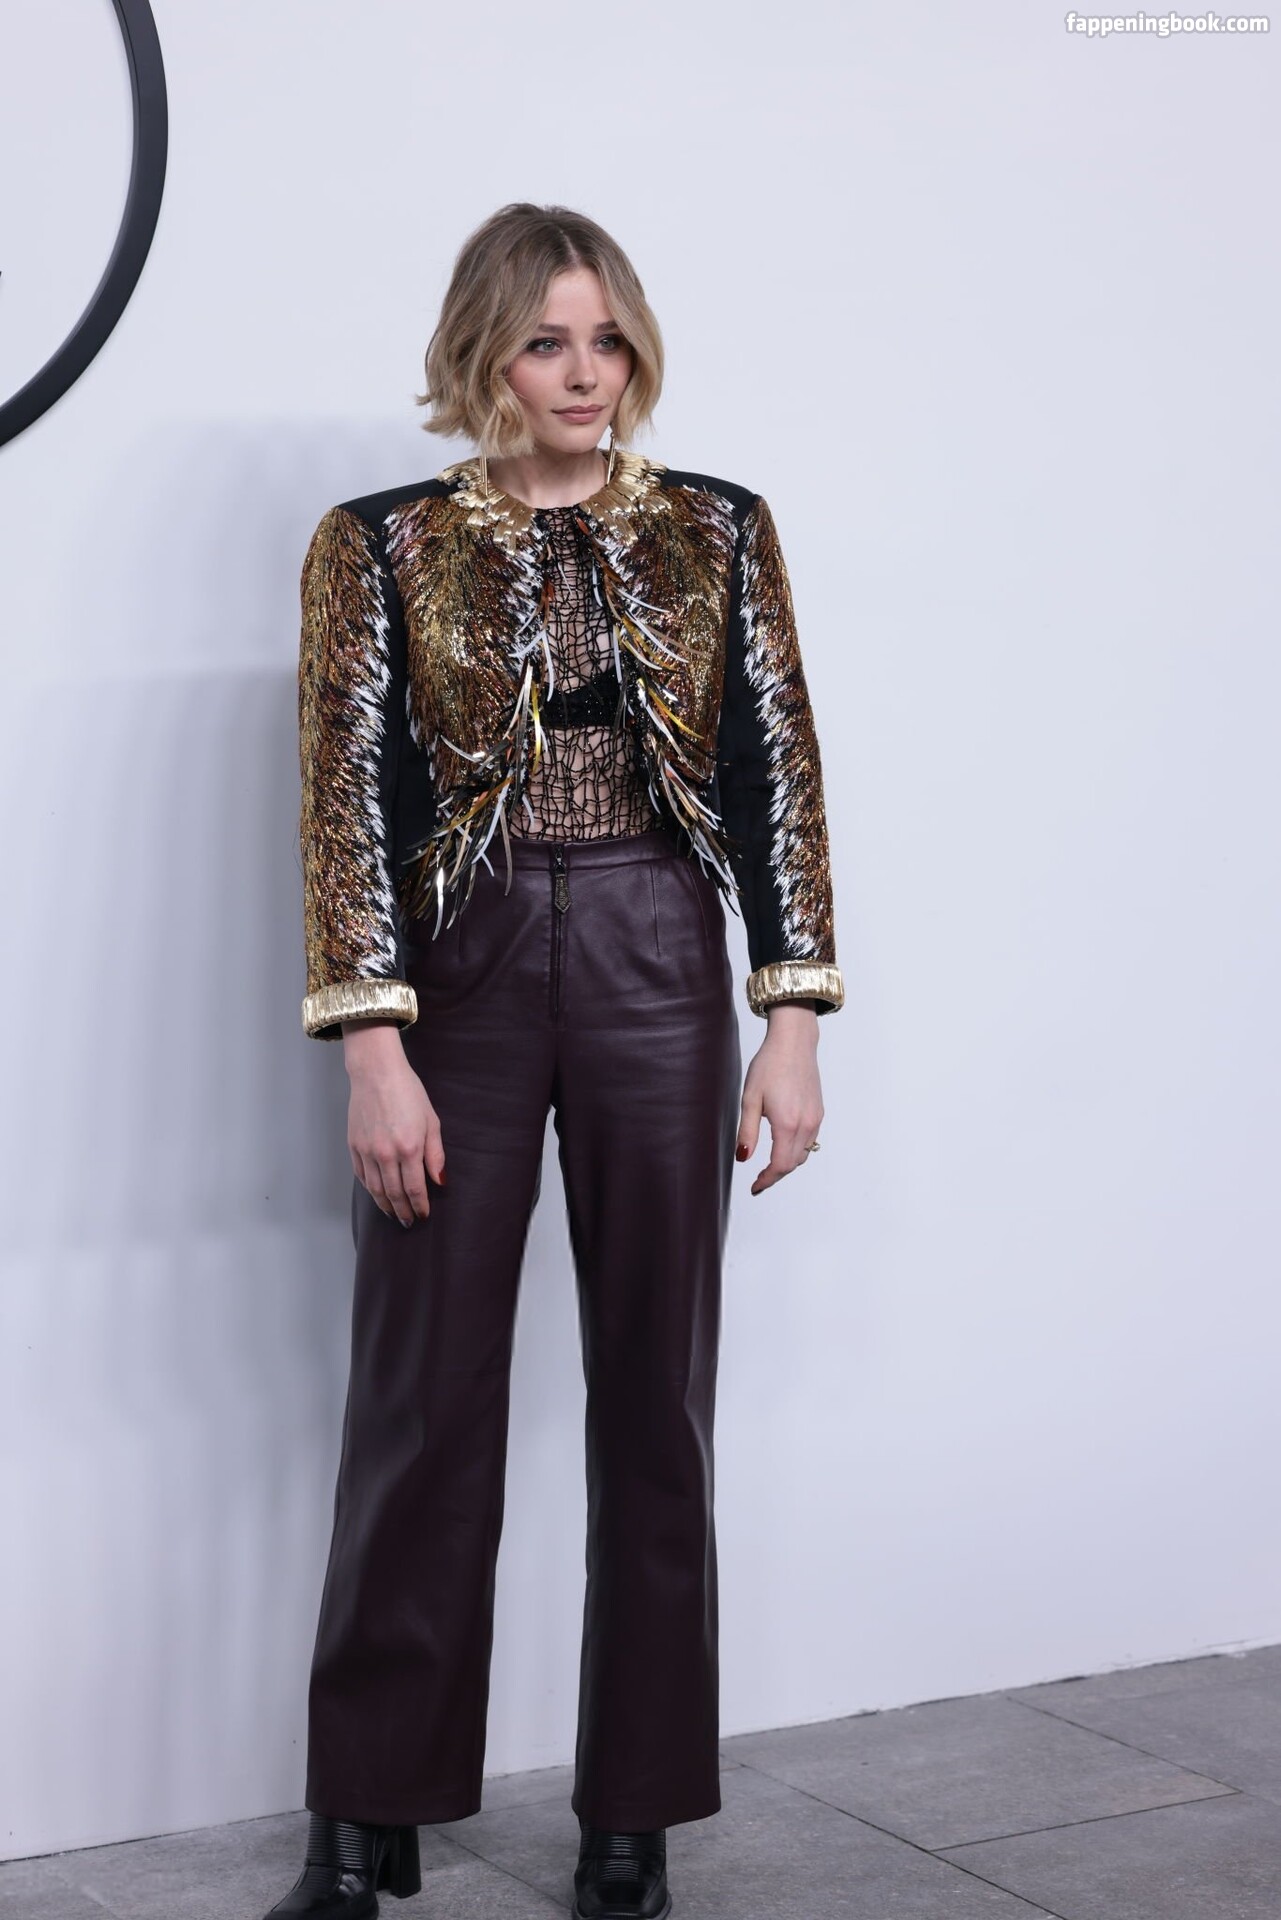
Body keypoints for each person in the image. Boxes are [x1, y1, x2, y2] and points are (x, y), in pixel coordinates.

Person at [265, 202, 845, 1920]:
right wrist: (374, 1049)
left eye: (603, 340)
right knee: (420, 1396)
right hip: (462, 965)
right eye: (543, 343)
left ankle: (629, 1829)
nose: (582, 375)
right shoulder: (375, 543)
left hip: (661, 955)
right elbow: (341, 798)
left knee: (657, 1396)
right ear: (483, 357)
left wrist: (789, 1022)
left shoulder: (720, 527)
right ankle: (361, 1820)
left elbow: (776, 768)